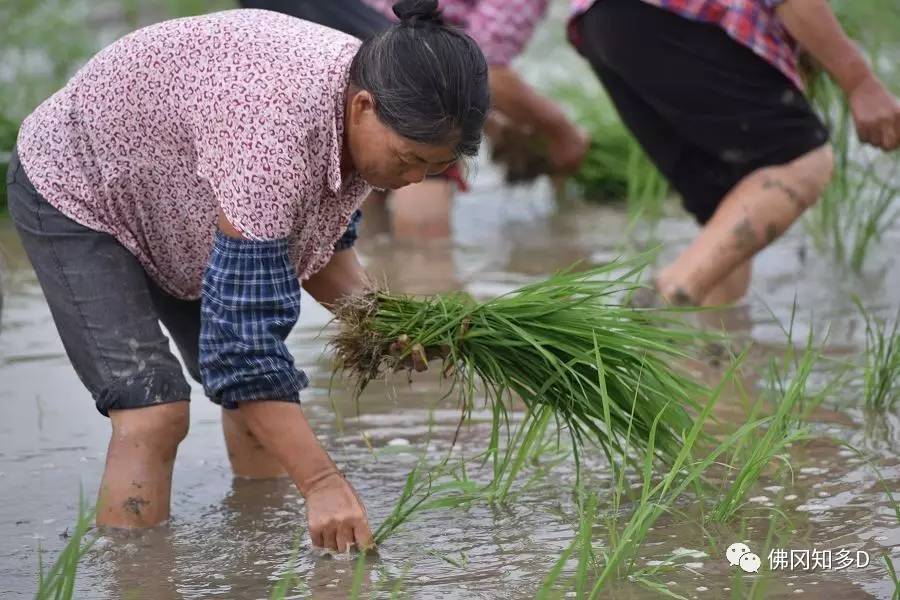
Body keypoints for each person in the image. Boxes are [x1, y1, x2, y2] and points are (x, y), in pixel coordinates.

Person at [6, 0, 489, 553]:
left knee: (252, 402)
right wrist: (323, 483)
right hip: (83, 186)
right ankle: (137, 576)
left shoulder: (372, 95)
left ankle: (257, 550)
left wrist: (392, 325)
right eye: (408, 160)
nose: (413, 180)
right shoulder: (275, 134)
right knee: (153, 408)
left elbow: (320, 250)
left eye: (433, 168)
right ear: (363, 107)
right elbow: (241, 349)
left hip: (183, 192)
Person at [569, 0, 900, 306]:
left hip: (604, 23)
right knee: (800, 160)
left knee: (727, 213)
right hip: (672, 15)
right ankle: (666, 300)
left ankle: (705, 358)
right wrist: (860, 83)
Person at [240, 0, 589, 239]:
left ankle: (381, 316)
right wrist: (562, 132)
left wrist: (497, 127)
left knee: (359, 208)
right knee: (425, 244)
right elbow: (486, 68)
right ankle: (421, 307)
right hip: (406, 74)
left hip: (331, 48)